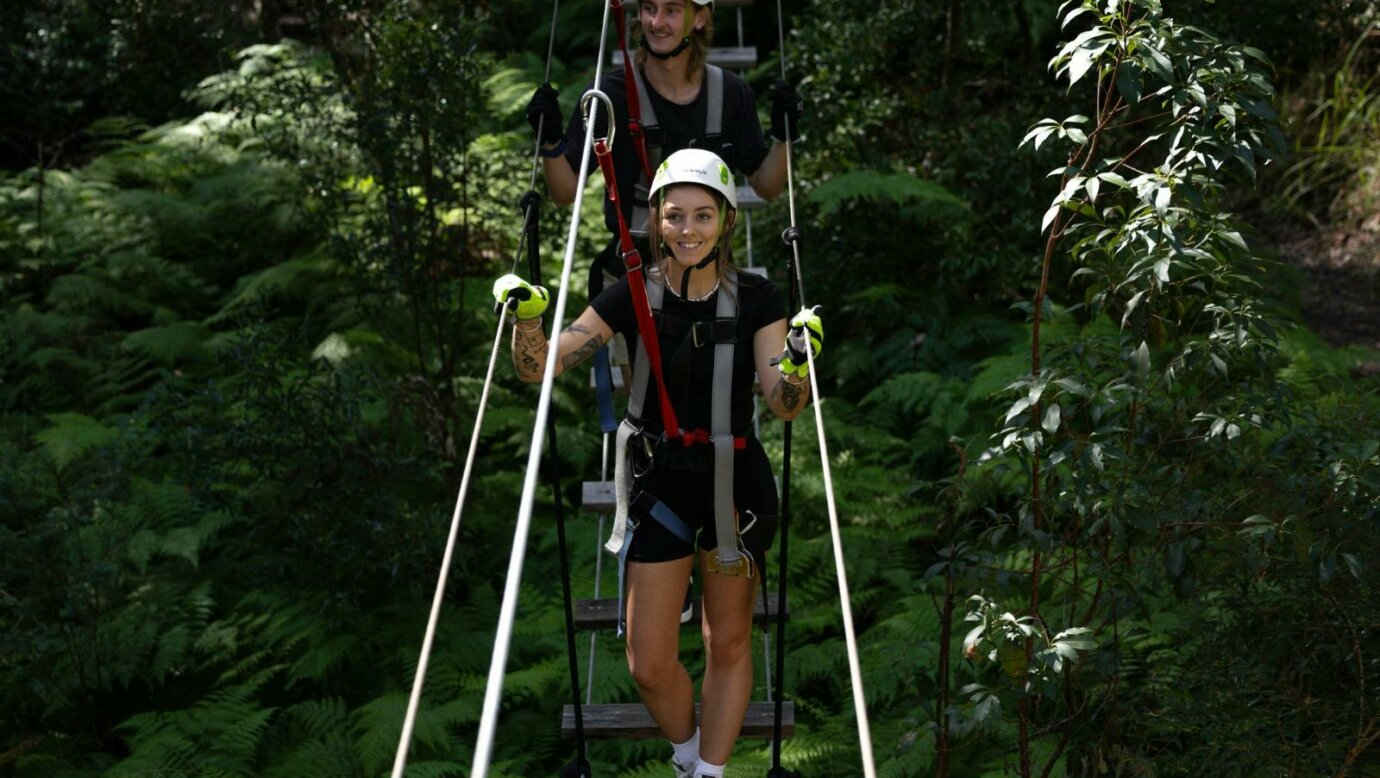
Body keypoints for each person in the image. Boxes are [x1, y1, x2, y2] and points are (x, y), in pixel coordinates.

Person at [493, 149, 822, 778]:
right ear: (655, 221)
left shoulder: (758, 297)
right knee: (648, 662)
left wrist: (798, 365)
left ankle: (709, 774)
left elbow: (783, 406)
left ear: (727, 220)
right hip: (657, 481)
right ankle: (686, 756)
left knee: (726, 642)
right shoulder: (630, 292)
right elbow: (541, 367)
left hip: (735, 489)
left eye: (703, 215)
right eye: (675, 216)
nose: (689, 229)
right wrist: (529, 321)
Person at [525, 0, 803, 278]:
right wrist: (550, 140)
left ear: (699, 18)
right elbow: (564, 193)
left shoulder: (731, 94)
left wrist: (782, 136)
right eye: (649, 8)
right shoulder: (611, 95)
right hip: (631, 275)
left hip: (708, 277)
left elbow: (767, 187)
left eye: (671, 10)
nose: (656, 23)